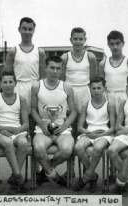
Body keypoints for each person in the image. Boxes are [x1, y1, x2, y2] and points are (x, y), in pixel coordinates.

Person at [4, 17, 47, 183]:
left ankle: (37, 169)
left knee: (35, 127)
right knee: (21, 127)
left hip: (35, 90)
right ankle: (18, 171)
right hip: (18, 90)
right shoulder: (13, 51)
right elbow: (6, 75)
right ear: (19, 29)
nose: (27, 32)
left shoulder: (40, 51)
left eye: (30, 29)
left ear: (34, 30)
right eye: (24, 29)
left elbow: (43, 75)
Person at [31, 55, 77, 187]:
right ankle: (54, 176)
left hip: (62, 128)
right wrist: (42, 124)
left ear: (62, 70)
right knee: (39, 148)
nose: (55, 71)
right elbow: (33, 110)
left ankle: (45, 171)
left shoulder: (67, 87)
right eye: (52, 67)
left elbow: (73, 111)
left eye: (58, 68)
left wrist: (64, 127)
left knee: (67, 150)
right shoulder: (36, 86)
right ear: (46, 68)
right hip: (43, 128)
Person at [98, 30, 128, 184]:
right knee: (110, 135)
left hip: (123, 99)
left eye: (117, 43)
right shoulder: (103, 63)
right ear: (108, 45)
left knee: (120, 134)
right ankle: (112, 173)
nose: (115, 47)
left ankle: (121, 173)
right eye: (112, 44)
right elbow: (100, 85)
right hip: (108, 100)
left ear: (123, 44)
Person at [60, 27, 97, 178]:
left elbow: (94, 81)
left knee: (83, 134)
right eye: (75, 39)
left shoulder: (91, 57)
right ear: (70, 40)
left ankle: (87, 172)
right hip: (69, 95)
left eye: (81, 39)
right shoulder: (65, 57)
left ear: (85, 40)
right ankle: (71, 170)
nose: (78, 42)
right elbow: (61, 82)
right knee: (72, 133)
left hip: (85, 95)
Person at [73, 76, 115, 193]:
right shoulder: (86, 105)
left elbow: (113, 128)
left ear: (104, 89)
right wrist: (89, 133)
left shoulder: (109, 105)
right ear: (89, 89)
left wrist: (100, 134)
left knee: (98, 148)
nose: (96, 91)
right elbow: (80, 127)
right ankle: (92, 176)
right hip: (89, 132)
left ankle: (86, 177)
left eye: (99, 88)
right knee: (78, 147)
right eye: (93, 88)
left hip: (104, 133)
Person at [0, 70, 30, 195]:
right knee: (8, 143)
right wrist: (5, 130)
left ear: (15, 83)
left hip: (16, 131)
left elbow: (26, 124)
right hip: (0, 133)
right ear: (0, 84)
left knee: (24, 143)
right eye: (5, 82)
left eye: (10, 82)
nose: (8, 85)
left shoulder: (21, 99)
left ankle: (14, 178)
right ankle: (19, 178)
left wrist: (16, 130)